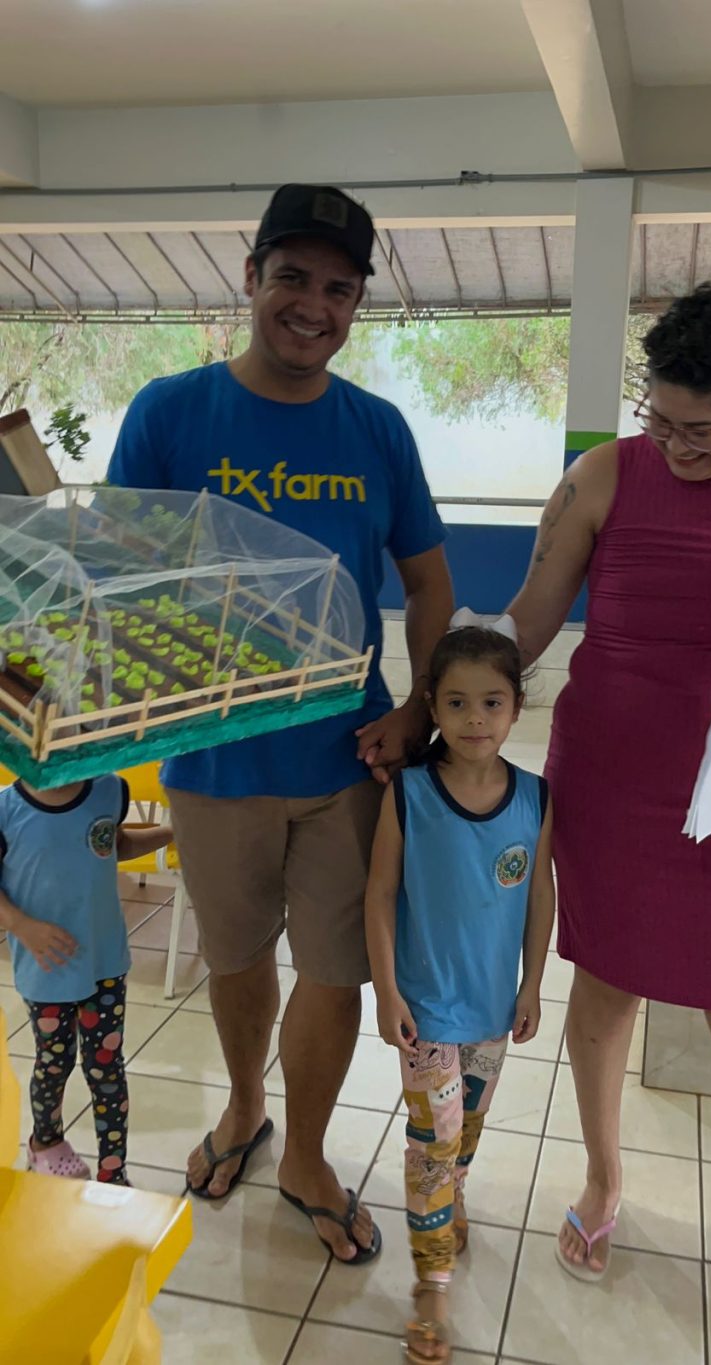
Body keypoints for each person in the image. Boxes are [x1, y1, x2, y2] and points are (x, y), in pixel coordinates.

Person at [107, 184, 453, 1261]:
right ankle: (244, 1106)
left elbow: (430, 584)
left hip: (347, 759)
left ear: (357, 305)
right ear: (251, 276)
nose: (313, 305)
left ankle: (305, 1152)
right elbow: (120, 573)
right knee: (237, 958)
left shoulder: (377, 429)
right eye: (292, 277)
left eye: (339, 289)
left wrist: (416, 707)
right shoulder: (169, 413)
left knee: (338, 969)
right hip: (214, 762)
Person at [506, 285, 711, 1294]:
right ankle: (604, 1178)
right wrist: (448, 699)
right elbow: (529, 619)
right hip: (613, 779)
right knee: (607, 988)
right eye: (661, 420)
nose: (678, 446)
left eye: (703, 431)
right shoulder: (603, 476)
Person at [366, 621, 554, 1361]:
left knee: (465, 1131)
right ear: (433, 708)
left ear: (516, 708)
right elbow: (380, 895)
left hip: (492, 1009)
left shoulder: (535, 797)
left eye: (492, 703)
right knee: (432, 1147)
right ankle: (432, 1284)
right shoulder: (410, 794)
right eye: (457, 703)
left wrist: (532, 983)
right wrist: (387, 991)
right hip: (427, 1012)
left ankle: (454, 1196)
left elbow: (539, 894)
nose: (476, 719)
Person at [0, 772, 171, 1183]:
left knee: (106, 1067)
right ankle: (45, 1143)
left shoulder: (109, 790)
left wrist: (172, 832)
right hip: (47, 968)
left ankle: (114, 1170)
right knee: (53, 1062)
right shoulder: (6, 810)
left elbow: (117, 844)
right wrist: (21, 925)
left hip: (104, 962)